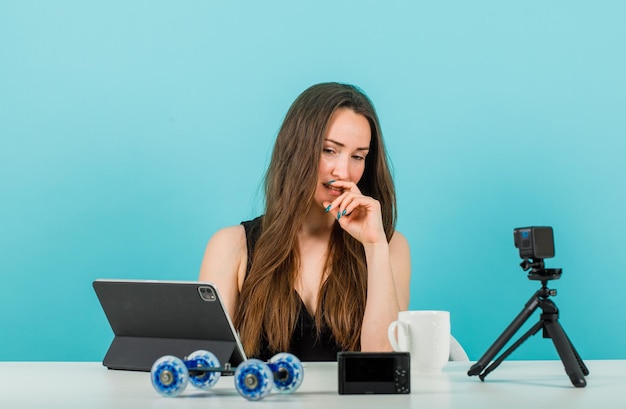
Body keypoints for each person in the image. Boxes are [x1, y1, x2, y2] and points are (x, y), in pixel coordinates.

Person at [199, 82, 411, 361]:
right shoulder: (231, 246)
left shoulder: (389, 246)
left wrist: (374, 247)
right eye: (329, 150)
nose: (344, 170)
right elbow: (207, 365)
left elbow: (384, 365)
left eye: (358, 156)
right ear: (297, 149)